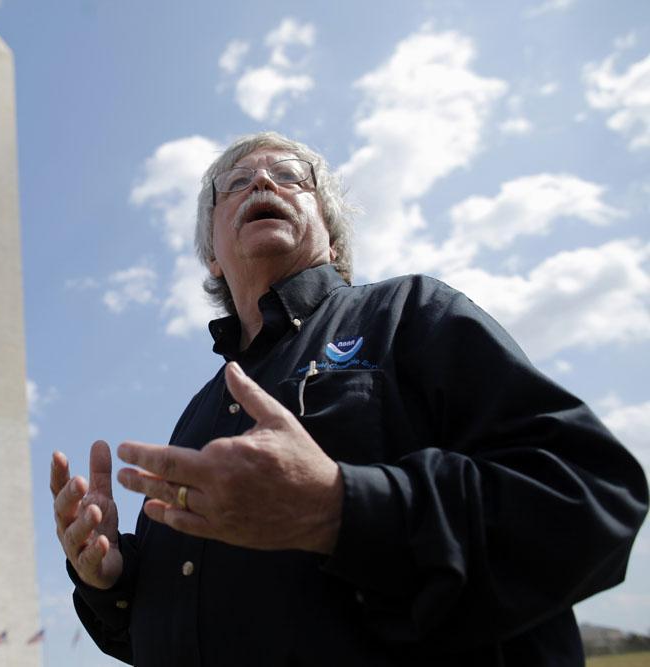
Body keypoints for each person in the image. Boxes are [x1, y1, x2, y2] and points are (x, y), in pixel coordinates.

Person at [50, 131, 648, 666]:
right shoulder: (197, 414)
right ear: (210, 252)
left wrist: (341, 509)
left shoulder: (413, 314)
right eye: (236, 182)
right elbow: (188, 626)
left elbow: (592, 494)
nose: (263, 180)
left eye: (290, 176)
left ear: (332, 239)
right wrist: (110, 578)